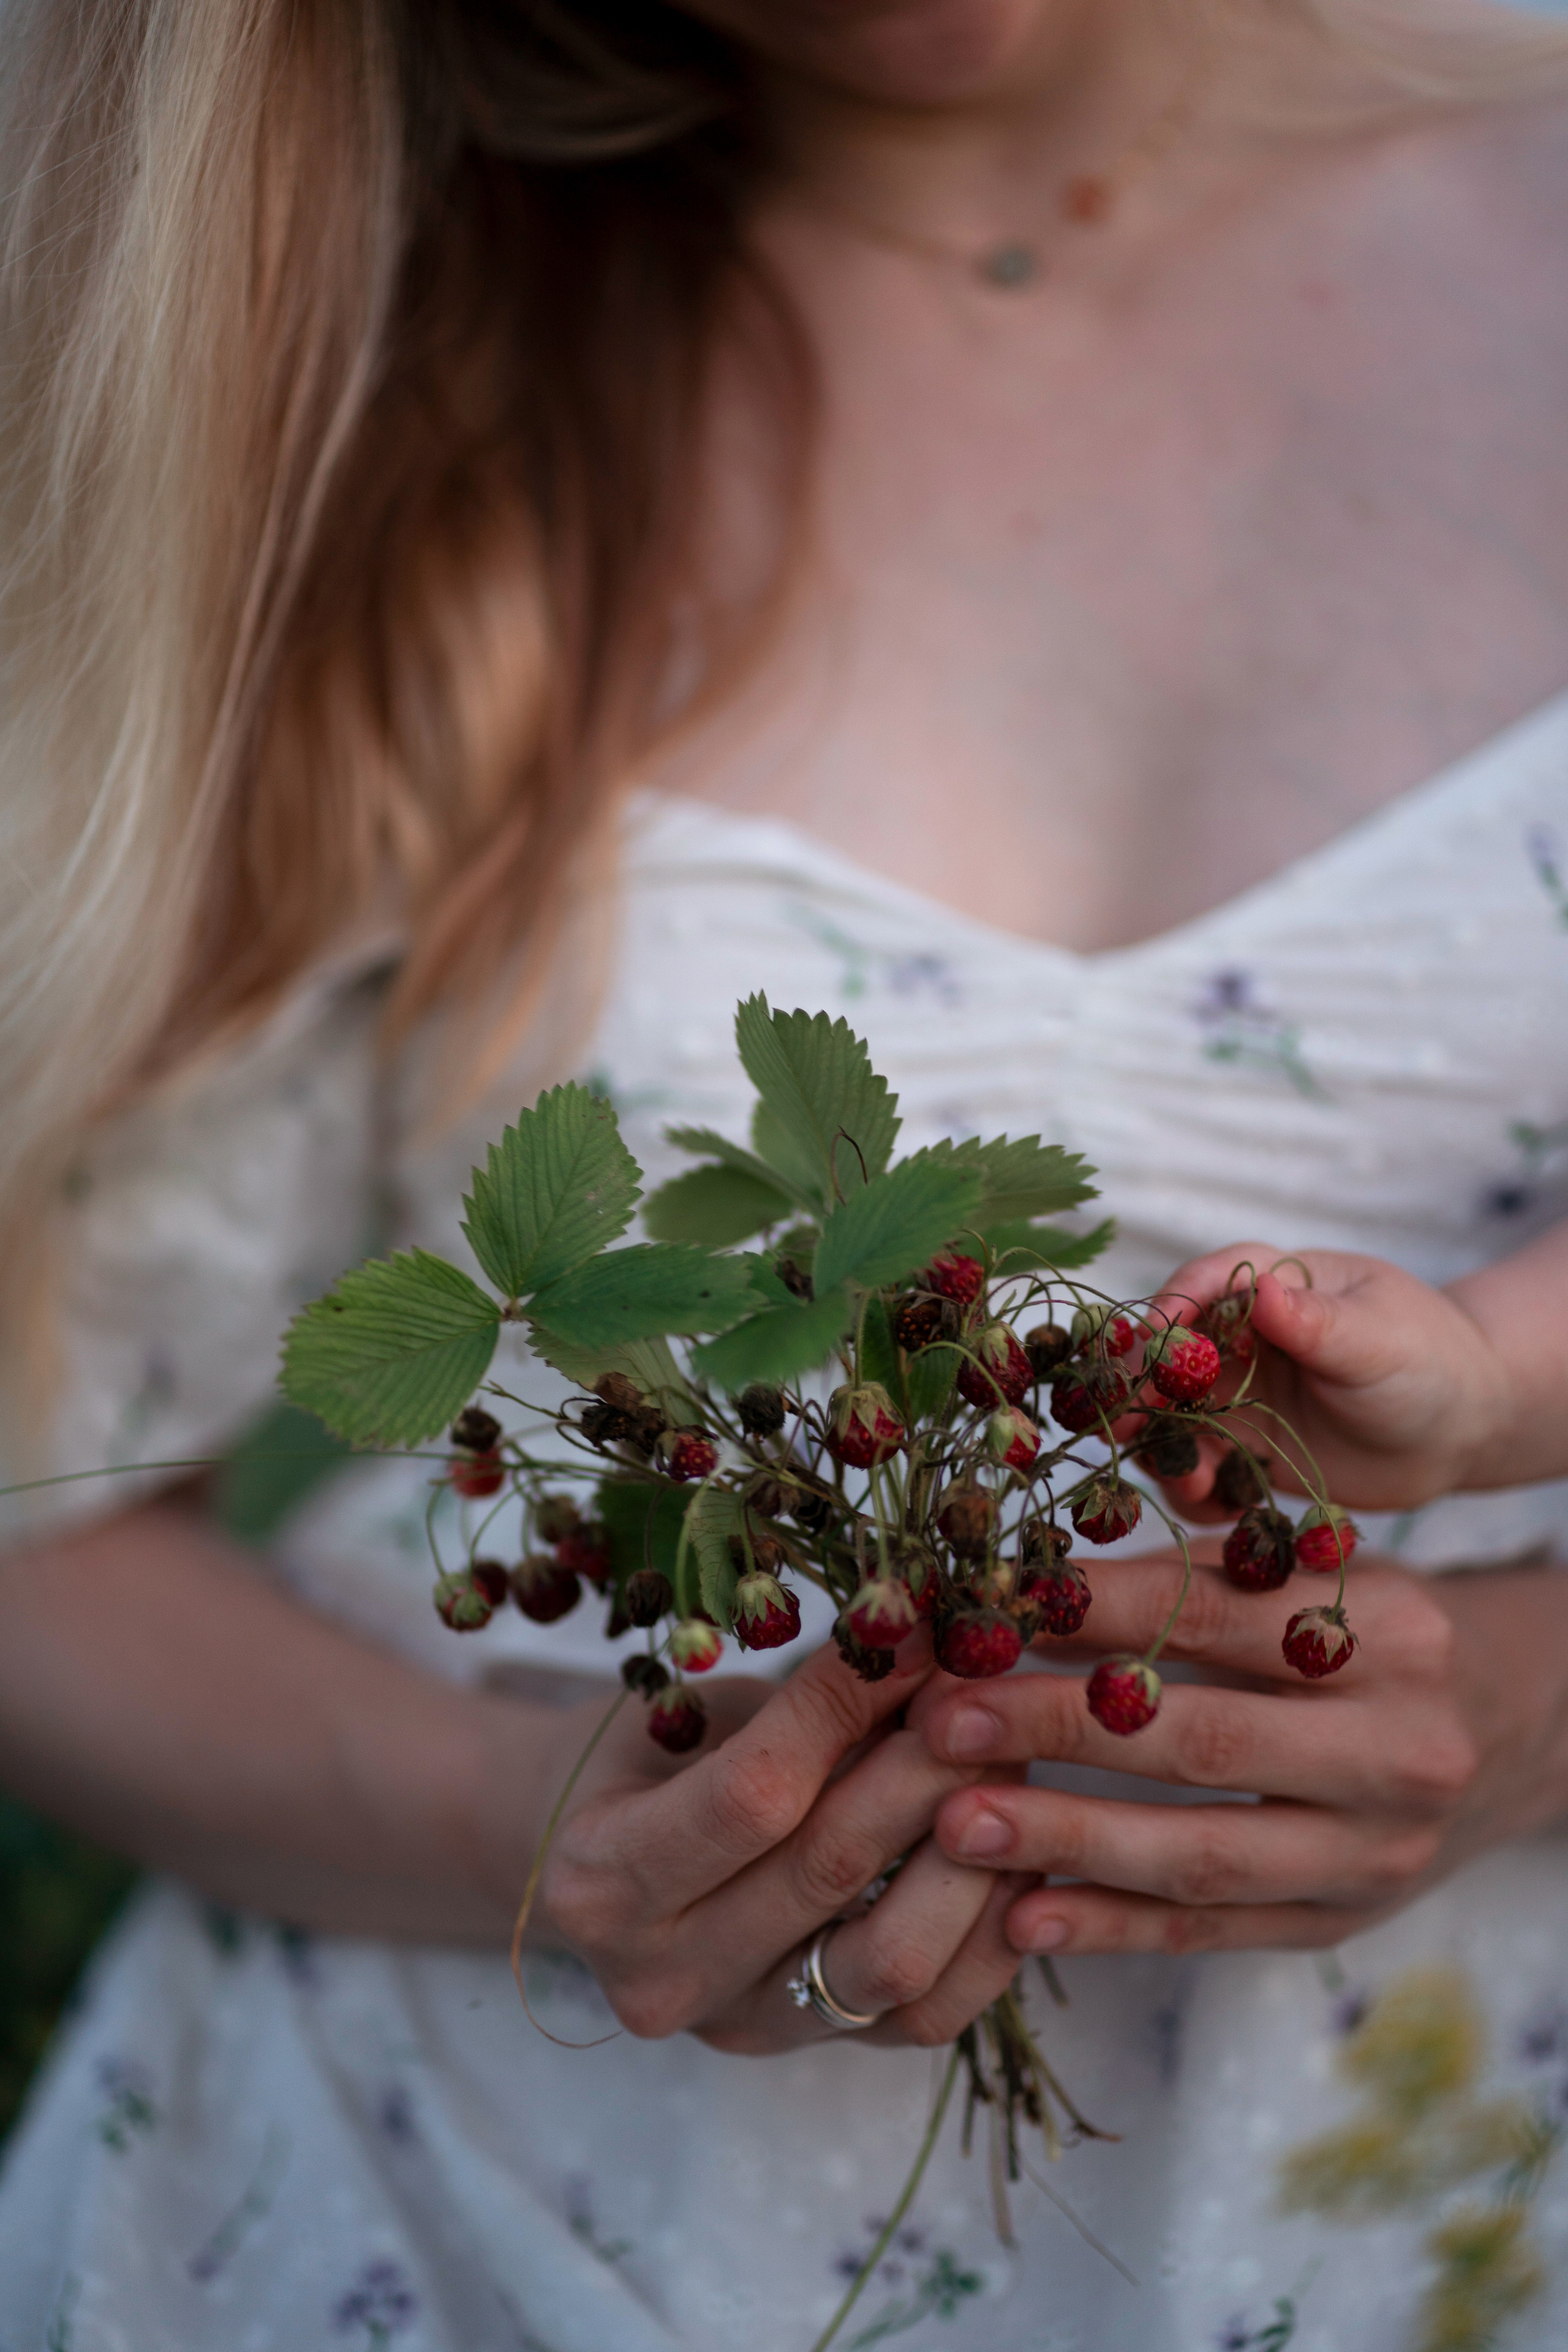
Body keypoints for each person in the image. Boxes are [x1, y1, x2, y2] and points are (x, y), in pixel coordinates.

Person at [0, 1, 1566, 2345]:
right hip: (447, 2245)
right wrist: (567, 1849)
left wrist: (1539, 1699)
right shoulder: (347, 377)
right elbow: (33, 1530)